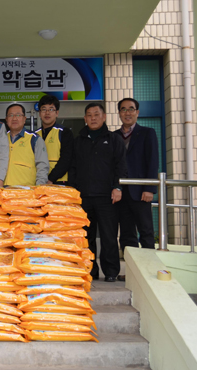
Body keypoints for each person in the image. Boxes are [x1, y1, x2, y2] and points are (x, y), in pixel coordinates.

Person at [68, 103, 127, 282]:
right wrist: (72, 194)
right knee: (86, 236)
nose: (92, 118)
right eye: (89, 115)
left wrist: (118, 187)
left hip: (107, 196)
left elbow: (121, 165)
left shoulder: (114, 139)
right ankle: (89, 270)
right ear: (85, 119)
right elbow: (73, 168)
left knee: (109, 236)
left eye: (96, 114)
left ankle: (111, 272)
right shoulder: (79, 140)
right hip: (83, 197)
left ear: (104, 117)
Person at [114, 98, 159, 277]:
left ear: (137, 112)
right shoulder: (114, 136)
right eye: (123, 109)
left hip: (141, 192)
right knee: (126, 235)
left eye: (131, 109)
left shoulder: (148, 133)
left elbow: (152, 161)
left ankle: (149, 272)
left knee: (146, 231)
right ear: (119, 113)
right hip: (122, 193)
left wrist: (150, 189)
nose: (127, 113)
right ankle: (132, 273)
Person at [4, 104, 50, 186]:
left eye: (18, 115)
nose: (14, 118)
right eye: (11, 115)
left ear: (24, 119)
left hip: (26, 192)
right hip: (3, 191)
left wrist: (39, 188)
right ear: (6, 119)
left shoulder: (35, 139)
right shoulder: (0, 139)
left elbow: (42, 166)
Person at [34, 95, 74, 184]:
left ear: (57, 113)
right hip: (38, 181)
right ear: (40, 113)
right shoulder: (34, 135)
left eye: (51, 109)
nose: (47, 113)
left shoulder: (64, 132)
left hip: (59, 181)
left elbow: (66, 159)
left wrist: (51, 179)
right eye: (44, 109)